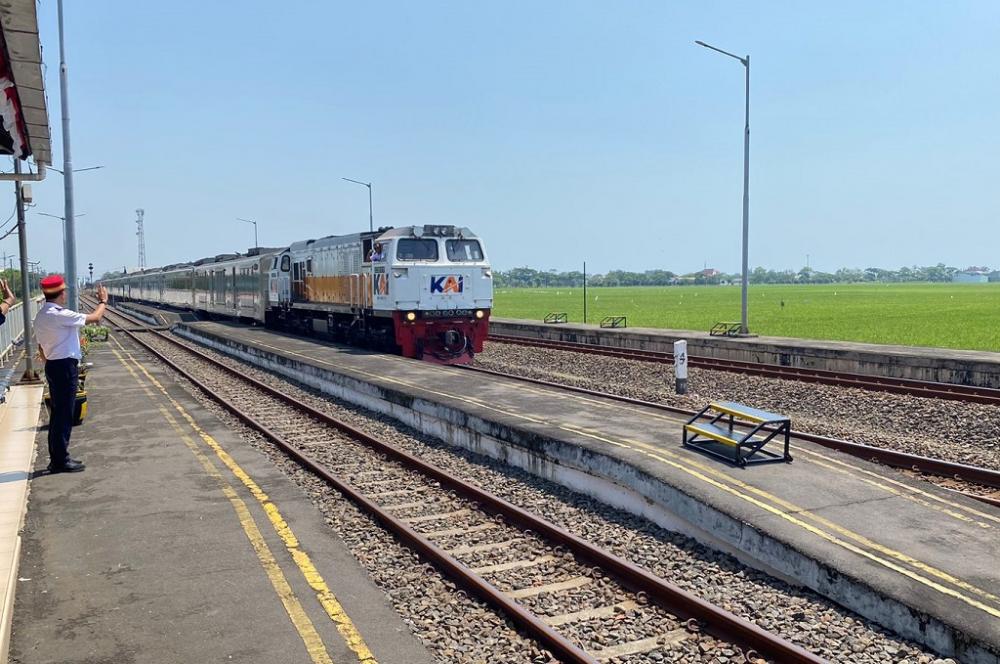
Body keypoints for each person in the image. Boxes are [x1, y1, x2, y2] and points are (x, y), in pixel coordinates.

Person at [33, 276, 108, 473]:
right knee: (64, 414)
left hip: (53, 366)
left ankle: (58, 458)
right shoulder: (59, 314)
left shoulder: (41, 316)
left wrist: (49, 359)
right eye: (64, 291)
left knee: (59, 413)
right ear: (61, 293)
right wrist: (103, 301)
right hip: (64, 367)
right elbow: (95, 318)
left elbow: (40, 347)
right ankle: (60, 461)